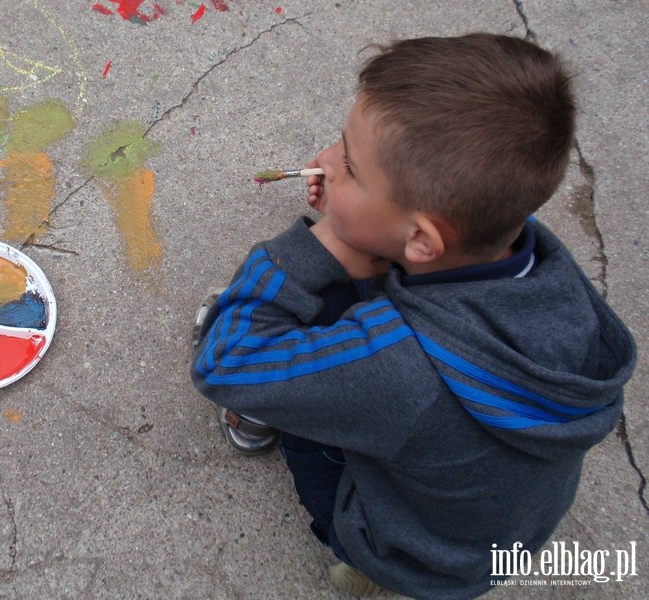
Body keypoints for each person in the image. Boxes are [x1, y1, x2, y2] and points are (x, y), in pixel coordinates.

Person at [191, 33, 636, 598]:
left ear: (423, 240)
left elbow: (223, 361)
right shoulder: (540, 265)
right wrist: (367, 220)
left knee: (301, 321)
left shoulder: (401, 370)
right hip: (488, 538)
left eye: (349, 166)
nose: (325, 161)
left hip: (403, 551)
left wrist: (322, 244)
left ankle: (267, 441)